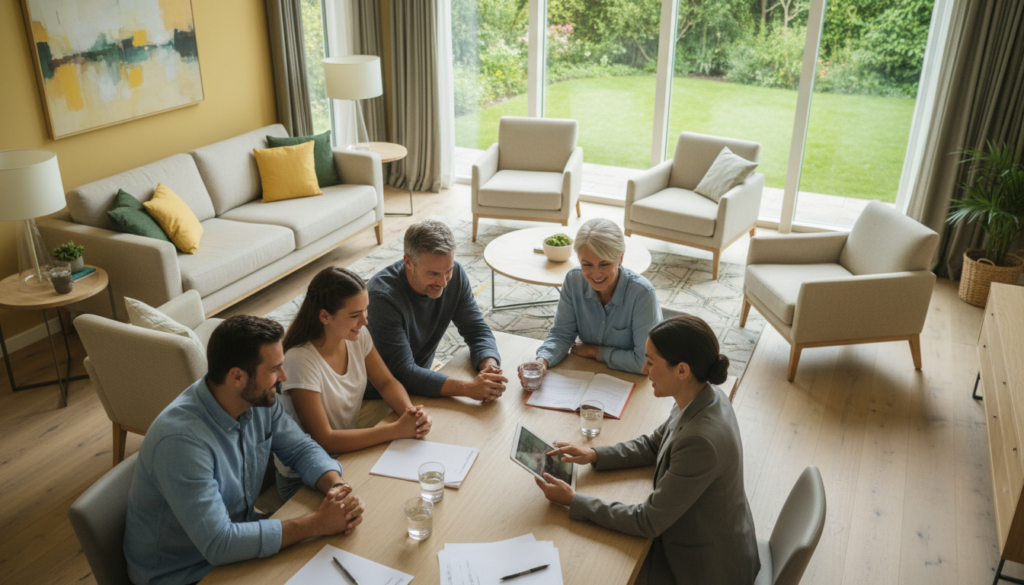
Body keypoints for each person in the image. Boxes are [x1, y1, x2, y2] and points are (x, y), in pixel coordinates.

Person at [124, 316, 366, 585]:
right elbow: (219, 543)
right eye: (274, 369)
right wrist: (317, 523)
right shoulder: (181, 443)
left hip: (239, 539)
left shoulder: (258, 399)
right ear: (237, 376)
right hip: (187, 573)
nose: (283, 377)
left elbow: (299, 448)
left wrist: (336, 488)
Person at [533, 314, 760, 585]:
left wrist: (573, 500)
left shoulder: (700, 442)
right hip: (706, 538)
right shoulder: (702, 395)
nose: (644, 369)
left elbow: (647, 521)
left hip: (707, 570)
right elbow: (654, 444)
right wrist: (594, 454)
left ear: (682, 370)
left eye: (651, 362)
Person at [274, 266, 433, 501]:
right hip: (306, 476)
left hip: (346, 452)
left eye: (366, 310)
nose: (365, 321)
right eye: (354, 314)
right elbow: (324, 439)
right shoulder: (300, 361)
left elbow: (386, 382)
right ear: (324, 316)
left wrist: (411, 414)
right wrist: (396, 430)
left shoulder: (356, 336)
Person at [366, 219, 507, 401]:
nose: (443, 283)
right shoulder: (381, 299)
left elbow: (476, 330)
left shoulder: (455, 276)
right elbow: (402, 372)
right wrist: (469, 388)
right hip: (378, 397)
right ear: (408, 261)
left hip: (421, 379)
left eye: (448, 270)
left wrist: (490, 369)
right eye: (433, 274)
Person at [518, 218, 661, 385]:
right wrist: (542, 361)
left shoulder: (642, 294)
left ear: (620, 258)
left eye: (604, 264)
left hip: (632, 381)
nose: (596, 274)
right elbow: (561, 334)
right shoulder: (573, 280)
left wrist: (596, 352)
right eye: (587, 264)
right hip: (586, 373)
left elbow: (645, 363)